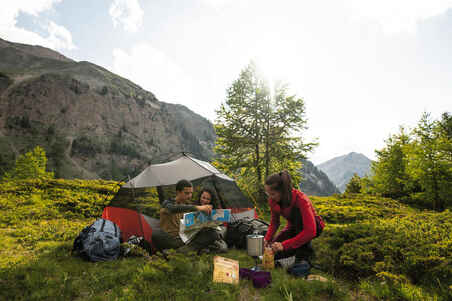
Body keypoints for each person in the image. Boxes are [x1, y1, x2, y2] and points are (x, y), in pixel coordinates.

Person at [263, 171, 323, 265]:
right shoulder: (273, 200)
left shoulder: (301, 200)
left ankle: (304, 254)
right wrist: (267, 239)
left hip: (313, 227)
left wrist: (284, 245)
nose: (270, 197)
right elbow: (275, 222)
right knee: (274, 248)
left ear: (283, 191)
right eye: (268, 194)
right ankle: (299, 248)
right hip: (293, 227)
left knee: (290, 246)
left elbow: (310, 231)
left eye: (273, 194)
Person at [153, 180, 221, 253]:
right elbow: (173, 209)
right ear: (178, 192)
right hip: (171, 239)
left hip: (185, 238)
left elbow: (190, 225)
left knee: (213, 234)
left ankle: (181, 251)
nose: (189, 196)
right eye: (187, 193)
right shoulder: (168, 203)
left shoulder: (188, 205)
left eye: (191, 193)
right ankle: (188, 250)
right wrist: (199, 208)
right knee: (156, 234)